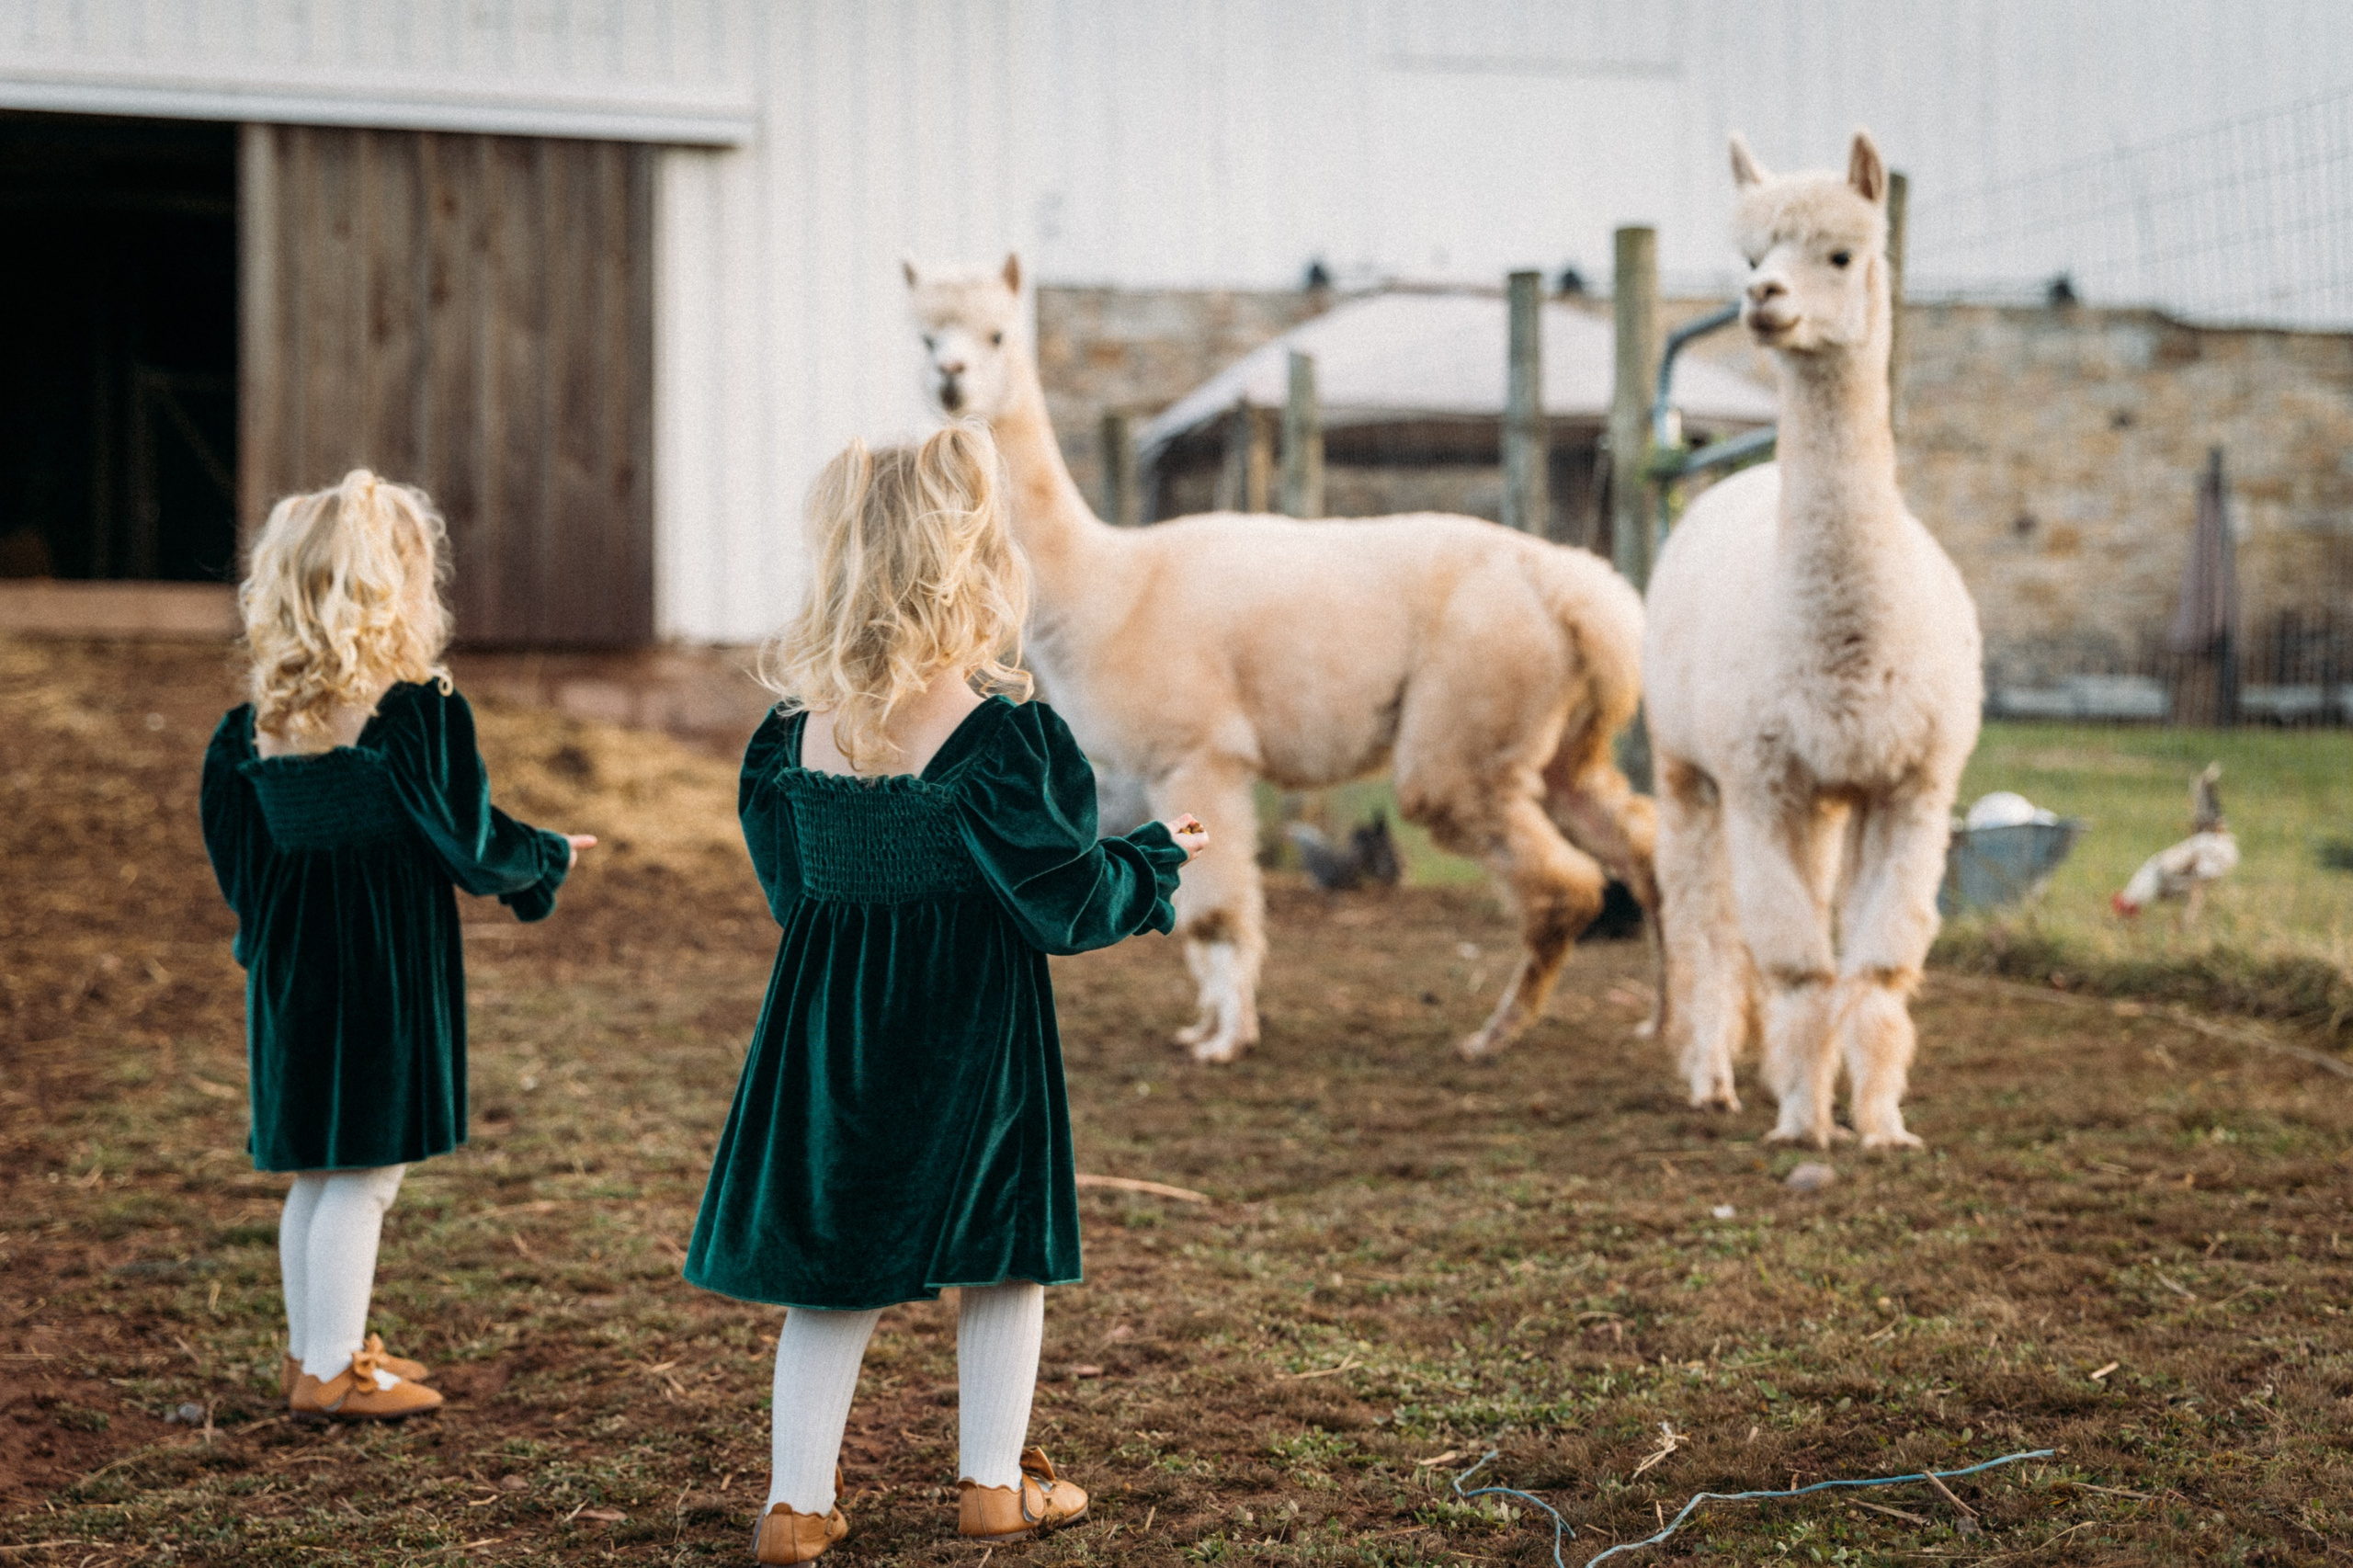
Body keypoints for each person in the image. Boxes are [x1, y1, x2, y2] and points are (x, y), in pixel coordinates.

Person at [682, 425, 1203, 1563]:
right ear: (969, 568)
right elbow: (1062, 901)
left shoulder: (789, 739)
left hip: (827, 1033)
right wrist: (1154, 860)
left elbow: (794, 887)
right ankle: (990, 1485)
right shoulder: (1006, 739)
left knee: (832, 1263)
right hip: (972, 1036)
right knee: (1002, 1251)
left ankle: (795, 1504)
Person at [199, 470, 592, 1420]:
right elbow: (466, 839)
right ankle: (334, 1368)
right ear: (392, 588)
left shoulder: (249, 729)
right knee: (367, 1170)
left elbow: (240, 863)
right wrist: (542, 854)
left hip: (298, 967)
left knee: (321, 1165)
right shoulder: (414, 714)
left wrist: (268, 950)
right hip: (381, 966)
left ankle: (309, 1354)